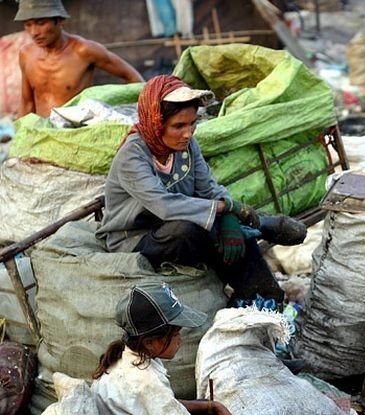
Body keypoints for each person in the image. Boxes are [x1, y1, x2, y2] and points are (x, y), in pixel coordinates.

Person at [95, 75, 291, 306]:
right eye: (178, 126)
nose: (188, 133)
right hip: (135, 236)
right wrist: (227, 207)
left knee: (229, 235)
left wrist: (228, 215)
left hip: (178, 225)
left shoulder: (187, 146)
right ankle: (258, 229)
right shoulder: (132, 155)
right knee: (190, 229)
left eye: (192, 124)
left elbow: (208, 187)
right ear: (157, 122)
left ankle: (267, 298)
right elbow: (165, 205)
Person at [92, 282, 231, 414]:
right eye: (175, 333)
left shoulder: (127, 358)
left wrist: (210, 405)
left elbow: (165, 402)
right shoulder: (148, 381)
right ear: (149, 343)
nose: (180, 339)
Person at [15, 0, 144, 118]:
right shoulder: (26, 54)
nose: (34, 32)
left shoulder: (83, 50)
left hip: (76, 132)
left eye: (41, 23)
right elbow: (27, 103)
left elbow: (134, 79)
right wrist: (20, 136)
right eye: (28, 24)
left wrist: (135, 114)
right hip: (41, 132)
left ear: (60, 21)